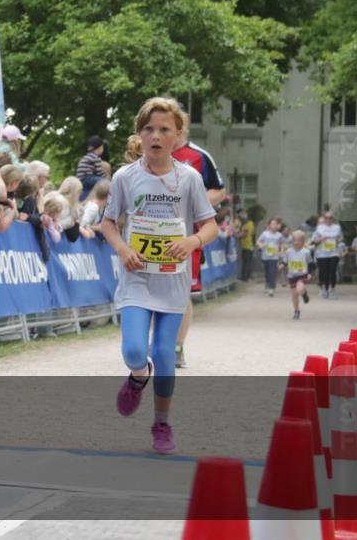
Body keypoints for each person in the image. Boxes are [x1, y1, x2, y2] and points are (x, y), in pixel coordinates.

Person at [100, 97, 217, 453]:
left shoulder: (189, 179)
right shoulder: (125, 177)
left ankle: (162, 424)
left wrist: (192, 241)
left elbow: (210, 225)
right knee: (136, 351)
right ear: (140, 133)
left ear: (177, 136)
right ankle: (138, 376)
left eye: (164, 129)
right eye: (149, 129)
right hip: (137, 278)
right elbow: (107, 224)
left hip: (172, 282)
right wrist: (123, 249)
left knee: (164, 353)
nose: (156, 135)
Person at [170, 113, 227, 369]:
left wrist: (196, 203)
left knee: (182, 293)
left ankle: (177, 347)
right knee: (150, 291)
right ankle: (157, 343)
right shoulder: (146, 153)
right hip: (151, 235)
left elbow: (220, 191)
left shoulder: (198, 157)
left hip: (187, 235)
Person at [282, 230, 312, 320]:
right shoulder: (288, 251)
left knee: (299, 289)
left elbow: (311, 263)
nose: (296, 242)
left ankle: (304, 293)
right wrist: (281, 265)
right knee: (294, 295)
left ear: (303, 242)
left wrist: (310, 273)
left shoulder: (306, 252)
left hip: (302, 275)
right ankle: (296, 311)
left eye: (299, 240)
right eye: (294, 240)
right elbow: (285, 261)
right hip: (292, 276)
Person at [312, 210, 342, 299]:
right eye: (326, 218)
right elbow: (315, 241)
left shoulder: (337, 227)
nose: (328, 219)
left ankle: (332, 289)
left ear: (333, 219)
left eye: (330, 218)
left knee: (332, 271)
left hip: (334, 252)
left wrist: (338, 240)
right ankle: (324, 288)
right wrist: (321, 239)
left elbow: (340, 237)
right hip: (322, 253)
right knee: (323, 272)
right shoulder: (319, 227)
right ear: (324, 219)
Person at [77, 134, 111, 200]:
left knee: (87, 189)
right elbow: (99, 172)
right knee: (103, 181)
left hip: (81, 178)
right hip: (87, 177)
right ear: (99, 148)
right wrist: (104, 177)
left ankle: (83, 198)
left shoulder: (86, 156)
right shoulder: (96, 158)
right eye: (102, 147)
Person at [256, 218, 284, 297]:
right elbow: (258, 241)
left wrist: (282, 251)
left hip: (274, 256)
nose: (274, 225)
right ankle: (267, 284)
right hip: (265, 256)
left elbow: (282, 243)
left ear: (277, 225)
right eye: (272, 224)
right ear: (269, 225)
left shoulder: (279, 235)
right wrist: (261, 245)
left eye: (275, 224)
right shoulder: (265, 233)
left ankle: (272, 288)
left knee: (272, 271)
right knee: (267, 272)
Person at [237, 209, 256, 282]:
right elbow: (253, 233)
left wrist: (237, 235)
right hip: (250, 244)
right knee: (248, 262)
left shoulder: (246, 224)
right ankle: (248, 276)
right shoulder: (251, 223)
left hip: (246, 245)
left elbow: (245, 234)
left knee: (246, 262)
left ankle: (244, 277)